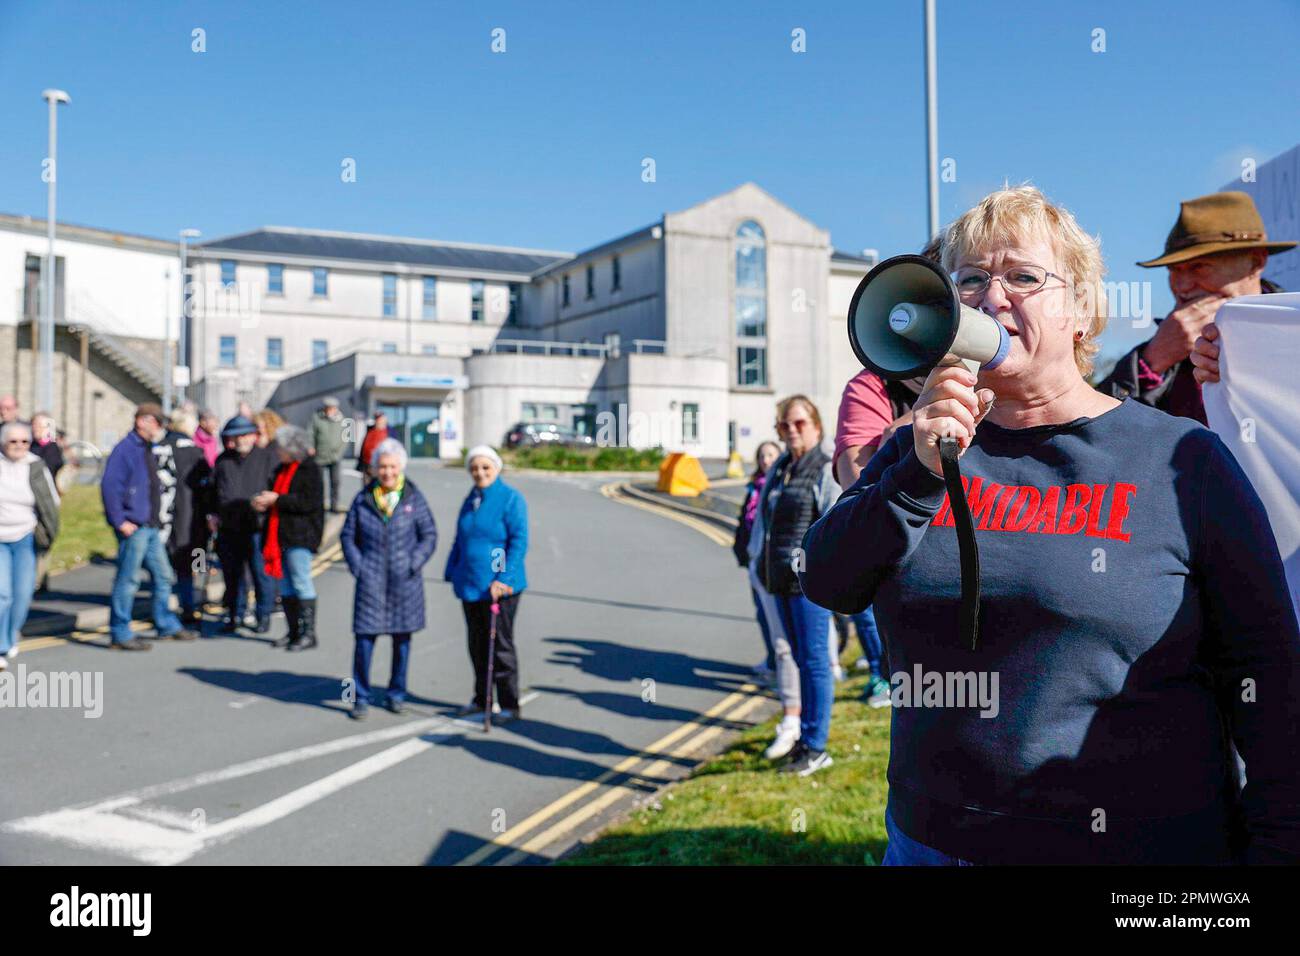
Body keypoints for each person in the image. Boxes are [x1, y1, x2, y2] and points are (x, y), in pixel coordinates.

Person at [801, 185, 1300, 864]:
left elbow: (1268, 677)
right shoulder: (919, 447)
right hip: (932, 842)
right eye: (970, 280)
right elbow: (827, 579)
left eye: (1023, 277)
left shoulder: (1181, 459)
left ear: (1082, 310)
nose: (991, 298)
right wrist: (917, 469)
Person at [1098, 191, 1293, 423]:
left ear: (1256, 261)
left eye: (1199, 267)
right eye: (1174, 270)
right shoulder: (1165, 351)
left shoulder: (1293, 332)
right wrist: (1152, 361)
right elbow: (1096, 436)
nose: (1182, 286)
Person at [754, 395, 838, 776]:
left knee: (816, 661)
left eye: (799, 423)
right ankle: (805, 739)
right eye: (784, 426)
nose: (791, 431)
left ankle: (817, 746)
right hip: (778, 581)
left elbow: (834, 524)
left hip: (809, 584)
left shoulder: (823, 468)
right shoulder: (781, 468)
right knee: (799, 661)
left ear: (816, 427)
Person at [342, 438, 437, 718]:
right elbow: (348, 536)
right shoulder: (363, 499)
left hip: (404, 582)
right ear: (374, 469)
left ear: (401, 467)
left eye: (392, 467)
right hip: (370, 580)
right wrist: (358, 566)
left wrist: (413, 561)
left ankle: (397, 693)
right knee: (363, 642)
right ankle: (359, 696)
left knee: (402, 642)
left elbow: (429, 535)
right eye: (382, 467)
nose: (387, 472)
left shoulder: (413, 497)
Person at [100, 404, 199, 650]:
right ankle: (120, 633)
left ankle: (166, 624)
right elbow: (110, 487)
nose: (159, 427)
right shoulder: (126, 450)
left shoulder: (147, 448)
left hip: (150, 525)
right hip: (134, 525)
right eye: (156, 422)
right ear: (141, 421)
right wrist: (120, 521)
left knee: (164, 576)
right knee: (128, 579)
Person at [444, 445, 529, 722]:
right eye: (474, 468)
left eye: (485, 468)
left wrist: (503, 578)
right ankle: (482, 699)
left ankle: (508, 704)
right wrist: (452, 570)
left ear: (496, 468)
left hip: (499, 589)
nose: (479, 473)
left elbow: (518, 541)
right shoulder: (472, 498)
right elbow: (461, 538)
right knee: (477, 646)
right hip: (471, 585)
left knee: (500, 647)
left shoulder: (510, 498)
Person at [253, 425, 324, 651]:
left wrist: (277, 499)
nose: (277, 452)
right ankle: (293, 631)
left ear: (293, 448)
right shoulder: (281, 469)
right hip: (279, 535)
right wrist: (263, 501)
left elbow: (308, 502)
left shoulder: (309, 469)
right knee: (285, 586)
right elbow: (277, 496)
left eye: (281, 448)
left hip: (300, 535)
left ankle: (308, 634)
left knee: (301, 582)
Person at [0, 421, 59, 670]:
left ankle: (11, 633)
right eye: (13, 441)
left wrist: (47, 532)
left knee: (23, 594)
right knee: (3, 595)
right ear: (3, 443)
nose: (19, 446)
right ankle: (1, 644)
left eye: (24, 441)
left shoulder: (35, 466)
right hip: (0, 537)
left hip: (26, 537)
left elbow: (51, 501)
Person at [213, 414, 279, 634]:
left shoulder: (268, 458)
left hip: (258, 527)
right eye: (236, 436)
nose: (241, 440)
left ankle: (263, 615)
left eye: (245, 435)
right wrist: (211, 514)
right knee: (233, 576)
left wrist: (269, 500)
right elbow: (213, 492)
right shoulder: (223, 460)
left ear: (254, 436)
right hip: (229, 528)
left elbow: (277, 491)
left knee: (261, 574)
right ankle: (235, 614)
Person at [732, 441, 780, 681]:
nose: (766, 460)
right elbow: (746, 522)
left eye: (771, 455)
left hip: (772, 561)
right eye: (762, 456)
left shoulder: (778, 485)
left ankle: (780, 669)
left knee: (776, 619)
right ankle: (771, 660)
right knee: (761, 613)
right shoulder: (754, 486)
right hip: (754, 558)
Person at [162, 408, 213, 628]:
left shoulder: (161, 450)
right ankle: (194, 603)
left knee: (167, 567)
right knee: (197, 562)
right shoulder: (195, 453)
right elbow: (208, 489)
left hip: (166, 520)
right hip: (196, 522)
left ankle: (166, 608)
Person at [310, 397, 347, 513]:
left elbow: (345, 439)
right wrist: (311, 447)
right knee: (319, 483)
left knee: (335, 483)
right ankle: (318, 505)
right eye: (328, 408)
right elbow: (310, 433)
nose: (330, 410)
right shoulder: (317, 418)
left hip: (335, 457)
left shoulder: (342, 420)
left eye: (332, 408)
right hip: (320, 455)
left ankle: (334, 505)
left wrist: (340, 452)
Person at [29, 412, 63, 481]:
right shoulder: (29, 445)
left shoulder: (52, 448)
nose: (35, 428)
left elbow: (48, 471)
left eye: (40, 425)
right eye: (34, 424)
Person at [357, 412, 388, 480]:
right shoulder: (370, 431)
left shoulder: (389, 433)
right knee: (367, 487)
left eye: (380, 419)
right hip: (367, 464)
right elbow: (363, 447)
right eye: (377, 420)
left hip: (379, 465)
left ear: (384, 421)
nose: (378, 421)